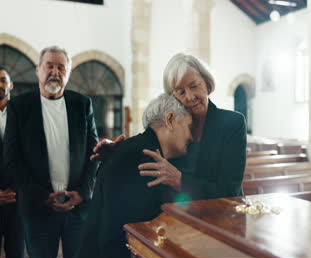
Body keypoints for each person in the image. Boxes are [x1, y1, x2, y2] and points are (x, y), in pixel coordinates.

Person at [93, 52, 247, 201]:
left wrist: (180, 180)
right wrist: (118, 151)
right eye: (181, 91)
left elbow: (230, 191)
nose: (190, 97)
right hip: (176, 216)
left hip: (221, 214)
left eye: (194, 86)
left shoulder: (232, 123)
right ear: (173, 96)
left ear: (207, 84)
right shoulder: (172, 126)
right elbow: (148, 147)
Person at [3, 46, 99, 258]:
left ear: (68, 74)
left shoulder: (82, 104)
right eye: (49, 66)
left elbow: (93, 155)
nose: (55, 71)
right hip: (37, 209)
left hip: (77, 208)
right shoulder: (19, 106)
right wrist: (42, 196)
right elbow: (12, 161)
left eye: (61, 67)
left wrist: (83, 193)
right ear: (38, 70)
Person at [74, 93, 192, 258]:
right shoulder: (142, 157)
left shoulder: (140, 149)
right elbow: (119, 234)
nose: (191, 136)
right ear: (170, 119)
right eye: (188, 126)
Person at [0, 66, 24, 258]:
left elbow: (29, 156)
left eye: (2, 80)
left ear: (11, 85)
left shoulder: (23, 114)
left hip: (17, 199)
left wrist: (17, 190)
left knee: (16, 255)